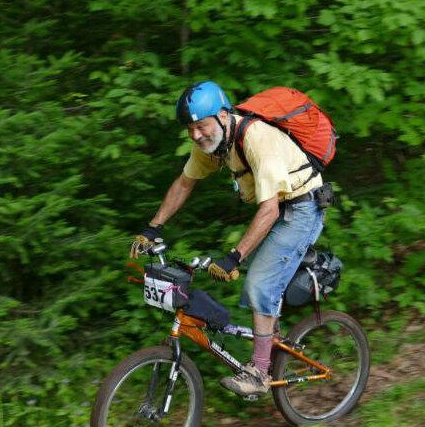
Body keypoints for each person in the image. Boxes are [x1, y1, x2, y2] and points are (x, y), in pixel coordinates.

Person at [130, 80, 325, 397]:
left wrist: (235, 256)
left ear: (222, 115)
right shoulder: (214, 143)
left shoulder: (257, 139)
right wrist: (153, 228)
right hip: (277, 207)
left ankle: (260, 373)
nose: (196, 134)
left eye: (201, 125)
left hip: (302, 208)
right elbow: (184, 183)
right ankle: (272, 345)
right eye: (190, 128)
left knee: (259, 283)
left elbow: (270, 210)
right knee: (259, 286)